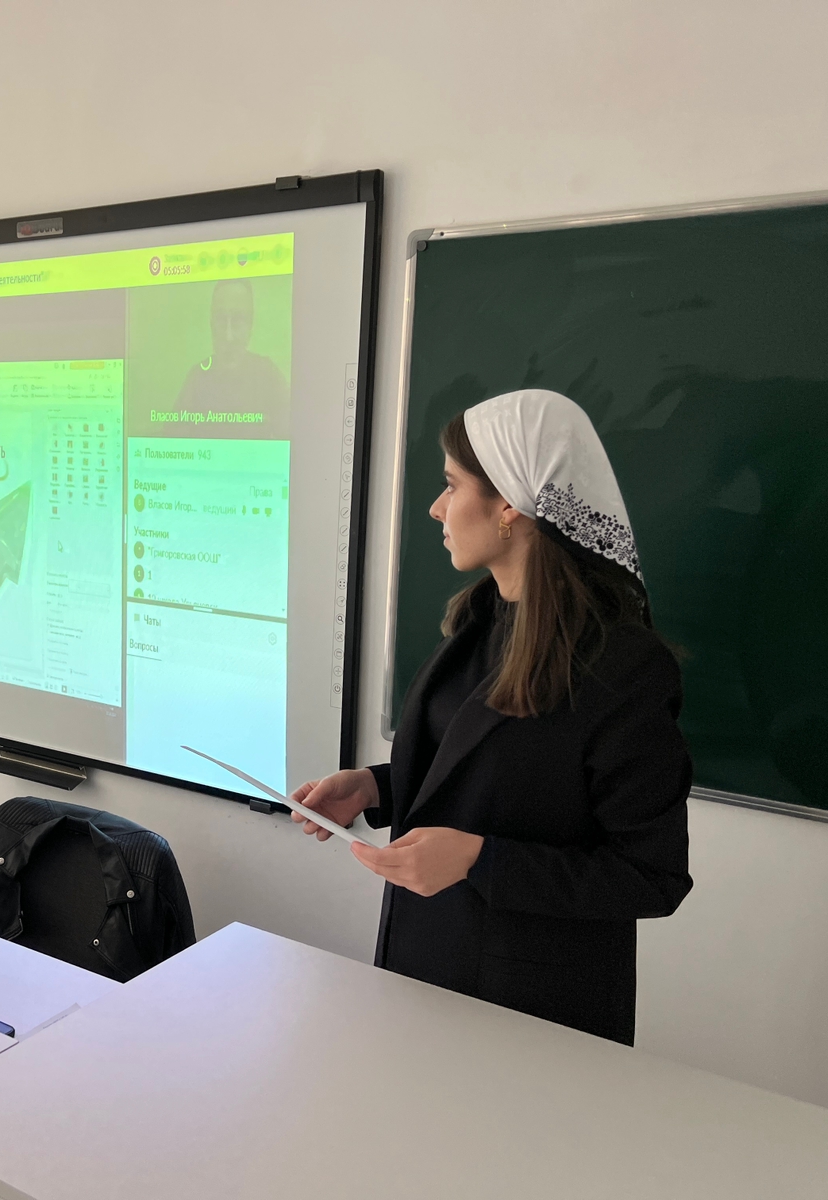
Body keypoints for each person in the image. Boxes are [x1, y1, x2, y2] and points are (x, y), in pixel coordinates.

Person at [292, 389, 692, 1044]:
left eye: (452, 486)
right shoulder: (480, 621)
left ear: (509, 503)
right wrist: (373, 787)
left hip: (533, 1010)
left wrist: (480, 861)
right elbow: (487, 773)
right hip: (422, 966)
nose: (436, 508)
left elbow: (651, 876)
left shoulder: (623, 667)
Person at [175, 279, 289, 427]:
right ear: (211, 325)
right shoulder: (196, 378)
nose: (228, 337)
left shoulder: (269, 376)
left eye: (238, 320)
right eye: (221, 319)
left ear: (250, 326)